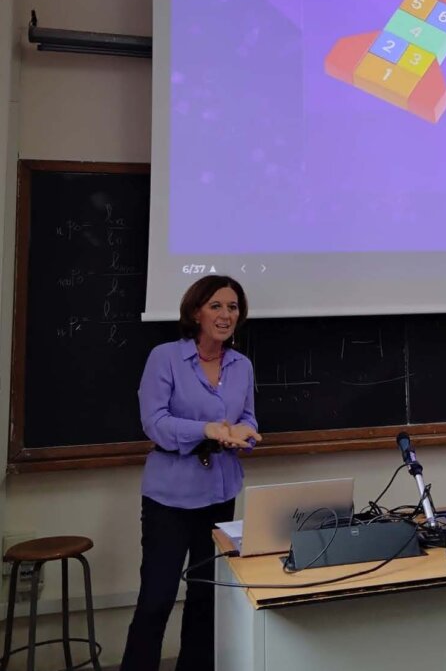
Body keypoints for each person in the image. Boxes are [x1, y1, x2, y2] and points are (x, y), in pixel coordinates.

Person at [120, 276, 262, 671]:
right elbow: (154, 422)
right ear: (196, 311)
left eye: (232, 307)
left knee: (207, 599)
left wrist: (244, 435)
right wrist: (206, 430)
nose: (226, 315)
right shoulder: (165, 357)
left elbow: (246, 416)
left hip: (219, 492)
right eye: (216, 306)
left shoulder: (241, 365)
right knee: (157, 598)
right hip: (171, 497)